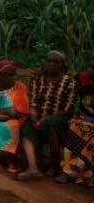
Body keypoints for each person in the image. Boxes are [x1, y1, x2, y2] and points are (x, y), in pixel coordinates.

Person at [18, 51, 77, 181]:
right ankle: (33, 168)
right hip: (38, 118)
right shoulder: (38, 78)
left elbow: (68, 108)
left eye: (55, 62)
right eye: (49, 61)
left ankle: (55, 167)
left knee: (51, 124)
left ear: (62, 65)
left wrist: (45, 119)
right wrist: (33, 111)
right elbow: (32, 98)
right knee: (26, 126)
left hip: (58, 120)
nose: (51, 64)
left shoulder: (69, 81)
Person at [57, 57, 94, 186]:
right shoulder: (82, 78)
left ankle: (88, 175)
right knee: (74, 128)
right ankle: (68, 172)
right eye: (91, 67)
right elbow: (66, 74)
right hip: (82, 118)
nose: (91, 70)